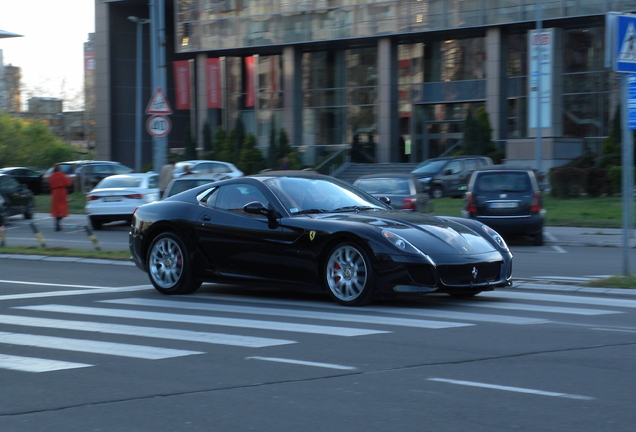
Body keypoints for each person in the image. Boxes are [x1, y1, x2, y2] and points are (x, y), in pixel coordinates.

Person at [49, 163, 72, 231]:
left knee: (56, 208)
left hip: (55, 192)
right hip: (62, 192)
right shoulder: (62, 175)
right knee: (62, 207)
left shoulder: (52, 176)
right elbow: (68, 183)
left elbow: (50, 184)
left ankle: (57, 220)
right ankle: (59, 220)